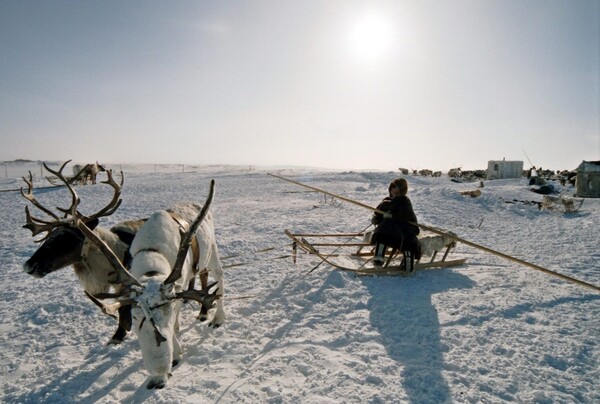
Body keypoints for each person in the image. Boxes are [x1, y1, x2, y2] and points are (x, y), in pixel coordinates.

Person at [370, 178, 421, 271]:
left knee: (408, 241)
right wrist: (376, 218)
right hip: (391, 228)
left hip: (405, 227)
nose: (395, 191)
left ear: (402, 191)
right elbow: (379, 212)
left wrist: (392, 216)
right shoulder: (386, 200)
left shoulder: (405, 201)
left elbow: (405, 215)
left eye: (398, 189)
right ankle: (378, 258)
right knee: (383, 228)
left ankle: (408, 262)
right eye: (393, 188)